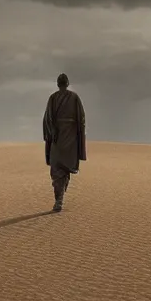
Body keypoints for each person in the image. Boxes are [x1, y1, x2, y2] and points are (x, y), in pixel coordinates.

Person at [43, 73, 87, 212]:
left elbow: (47, 120)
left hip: (58, 139)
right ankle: (59, 200)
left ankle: (59, 200)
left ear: (58, 83)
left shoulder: (54, 98)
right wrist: (79, 136)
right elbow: (82, 120)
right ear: (67, 83)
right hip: (70, 139)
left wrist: (52, 133)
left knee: (58, 170)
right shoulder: (74, 98)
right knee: (64, 169)